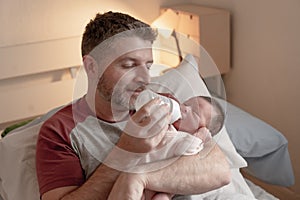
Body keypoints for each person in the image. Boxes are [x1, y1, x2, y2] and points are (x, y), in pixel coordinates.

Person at [36, 11, 231, 200]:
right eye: (129, 65)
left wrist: (140, 177)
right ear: (92, 67)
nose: (145, 78)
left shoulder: (162, 103)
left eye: (148, 66)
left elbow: (221, 171)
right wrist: (125, 151)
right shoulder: (60, 132)